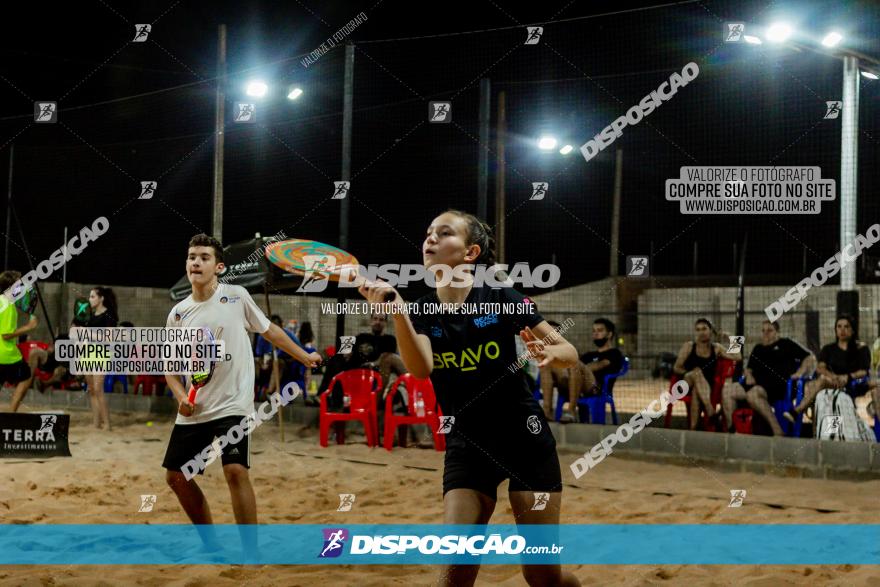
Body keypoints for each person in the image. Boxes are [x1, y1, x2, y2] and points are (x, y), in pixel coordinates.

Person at [358, 209, 581, 587]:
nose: (430, 239)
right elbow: (421, 368)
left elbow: (570, 351)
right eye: (428, 232)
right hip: (468, 444)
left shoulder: (500, 296)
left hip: (524, 440)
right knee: (453, 575)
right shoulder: (422, 311)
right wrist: (398, 315)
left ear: (470, 252)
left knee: (543, 578)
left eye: (443, 233)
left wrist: (553, 354)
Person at [163, 234, 321, 554]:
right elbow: (170, 368)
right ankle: (212, 544)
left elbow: (269, 330)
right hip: (195, 408)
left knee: (235, 471)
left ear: (219, 267)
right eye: (192, 256)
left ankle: (252, 553)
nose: (196, 261)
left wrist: (303, 355)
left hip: (234, 403)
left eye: (204, 257)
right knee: (176, 478)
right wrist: (181, 395)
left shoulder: (236, 296)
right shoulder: (177, 314)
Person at [721, 320, 814, 435]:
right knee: (727, 390)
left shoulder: (786, 344)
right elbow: (748, 369)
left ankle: (777, 430)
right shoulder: (758, 348)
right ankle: (733, 430)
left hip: (775, 387)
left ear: (777, 332)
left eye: (769, 330)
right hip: (753, 384)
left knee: (753, 394)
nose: (765, 333)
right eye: (763, 330)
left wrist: (800, 372)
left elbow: (809, 358)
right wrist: (749, 375)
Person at [784, 314, 880, 424]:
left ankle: (797, 411)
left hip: (853, 384)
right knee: (819, 384)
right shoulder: (828, 349)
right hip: (832, 383)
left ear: (853, 330)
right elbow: (820, 368)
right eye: (839, 326)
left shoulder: (861, 349)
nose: (842, 330)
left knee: (820, 385)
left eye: (846, 326)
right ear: (835, 329)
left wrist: (847, 377)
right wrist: (834, 377)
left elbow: (863, 371)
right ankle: (818, 432)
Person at [539, 318, 623, 423]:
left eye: (600, 331)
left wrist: (579, 366)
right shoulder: (589, 355)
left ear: (609, 334)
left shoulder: (614, 353)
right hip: (572, 385)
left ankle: (571, 411)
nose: (596, 334)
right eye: (594, 331)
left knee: (575, 363)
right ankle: (547, 412)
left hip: (594, 388)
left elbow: (600, 365)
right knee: (547, 364)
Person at [672, 318, 741, 430]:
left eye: (704, 329)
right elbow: (676, 367)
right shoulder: (689, 346)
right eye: (698, 330)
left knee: (696, 392)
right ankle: (710, 410)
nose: (701, 332)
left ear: (710, 331)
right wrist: (689, 374)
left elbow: (738, 357)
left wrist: (731, 337)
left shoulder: (716, 348)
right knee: (696, 373)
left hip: (706, 387)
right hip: (686, 382)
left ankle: (693, 429)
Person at [1, 271, 40, 412]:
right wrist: (28, 327)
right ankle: (11, 413)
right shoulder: (8, 307)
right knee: (26, 376)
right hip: (6, 354)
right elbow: (5, 335)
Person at [83, 286, 118, 430]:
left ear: (101, 298)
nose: (90, 299)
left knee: (98, 389)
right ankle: (96, 423)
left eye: (92, 296)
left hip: (101, 353)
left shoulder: (109, 315)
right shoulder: (90, 315)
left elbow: (110, 339)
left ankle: (108, 424)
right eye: (90, 296)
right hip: (88, 353)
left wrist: (89, 334)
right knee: (91, 389)